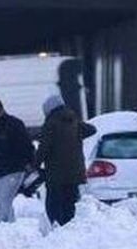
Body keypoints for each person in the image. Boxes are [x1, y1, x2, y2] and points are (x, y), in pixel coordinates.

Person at [35, 93, 96, 227]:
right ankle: (69, 228)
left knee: (53, 204)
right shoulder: (74, 121)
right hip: (75, 172)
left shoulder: (50, 124)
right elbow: (92, 129)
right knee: (70, 202)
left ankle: (57, 228)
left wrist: (35, 164)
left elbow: (43, 148)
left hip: (56, 173)